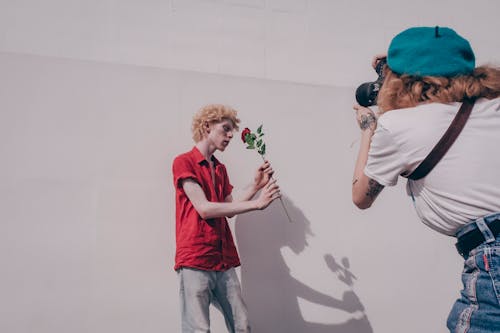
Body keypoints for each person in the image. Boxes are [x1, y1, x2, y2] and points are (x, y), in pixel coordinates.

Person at [351, 26, 500, 332]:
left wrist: (369, 128)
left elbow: (361, 196)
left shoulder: (397, 125)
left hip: (492, 254)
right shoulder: (493, 105)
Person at [172, 104, 280, 333]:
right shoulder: (183, 162)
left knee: (242, 326)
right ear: (207, 126)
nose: (231, 135)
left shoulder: (220, 169)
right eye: (226, 128)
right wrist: (257, 204)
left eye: (232, 130)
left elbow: (229, 209)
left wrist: (255, 185)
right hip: (195, 258)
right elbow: (204, 208)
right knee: (198, 329)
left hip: (223, 259)